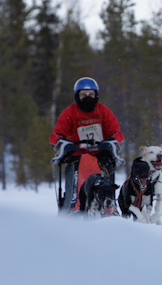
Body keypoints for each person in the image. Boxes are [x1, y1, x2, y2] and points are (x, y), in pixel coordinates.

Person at [50, 77, 124, 212]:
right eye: (83, 95)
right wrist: (65, 143)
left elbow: (117, 133)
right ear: (77, 96)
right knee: (75, 176)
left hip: (101, 156)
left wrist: (109, 142)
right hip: (76, 156)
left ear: (96, 95)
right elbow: (55, 135)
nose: (87, 98)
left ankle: (108, 207)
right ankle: (72, 206)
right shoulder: (69, 113)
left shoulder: (104, 111)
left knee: (106, 173)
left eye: (91, 94)